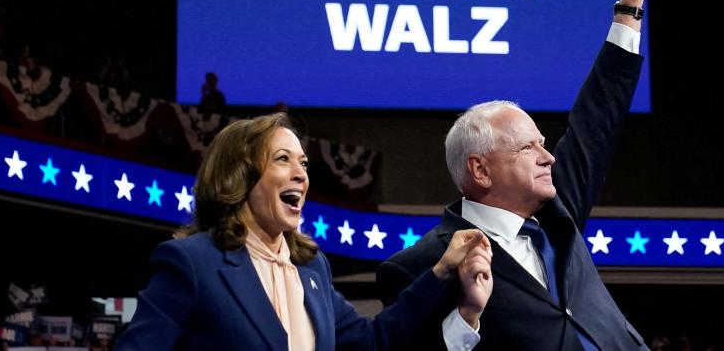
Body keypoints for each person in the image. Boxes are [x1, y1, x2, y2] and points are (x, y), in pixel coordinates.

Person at [376, 0, 658, 350]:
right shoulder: (419, 268)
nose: (548, 157)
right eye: (529, 148)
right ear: (481, 170)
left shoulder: (558, 215)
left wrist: (630, 3)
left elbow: (597, 120)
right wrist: (466, 317)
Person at [117, 113, 493, 350]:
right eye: (283, 160)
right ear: (240, 175)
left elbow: (373, 341)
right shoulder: (192, 262)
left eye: (304, 163)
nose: (301, 174)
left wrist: (441, 272)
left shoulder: (311, 268)